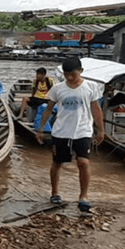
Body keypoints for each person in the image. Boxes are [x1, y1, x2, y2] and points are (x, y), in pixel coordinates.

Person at [37, 57, 104, 212]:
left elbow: (96, 109)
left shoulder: (91, 87)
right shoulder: (57, 88)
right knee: (57, 163)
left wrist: (100, 130)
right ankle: (55, 193)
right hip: (61, 131)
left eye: (73, 74)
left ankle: (83, 196)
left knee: (83, 163)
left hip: (83, 131)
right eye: (67, 74)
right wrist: (41, 129)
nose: (70, 78)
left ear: (80, 71)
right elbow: (48, 109)